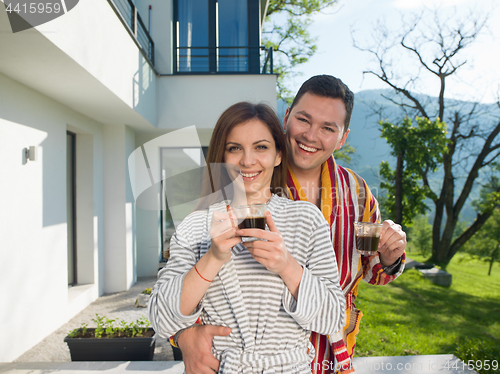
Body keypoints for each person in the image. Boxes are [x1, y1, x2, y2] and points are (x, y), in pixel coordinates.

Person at [171, 76, 407, 374]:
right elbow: (182, 273)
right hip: (243, 355)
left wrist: (389, 255)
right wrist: (183, 335)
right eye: (303, 120)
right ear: (287, 117)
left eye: (327, 128)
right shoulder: (239, 183)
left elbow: (373, 270)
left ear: (342, 137)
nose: (311, 135)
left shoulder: (357, 194)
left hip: (330, 354)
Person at [149, 102, 346, 373]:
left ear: (278, 154)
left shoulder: (307, 220)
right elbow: (161, 320)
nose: (247, 160)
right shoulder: (196, 225)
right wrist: (212, 258)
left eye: (261, 147)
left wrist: (287, 266)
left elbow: (334, 317)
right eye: (234, 148)